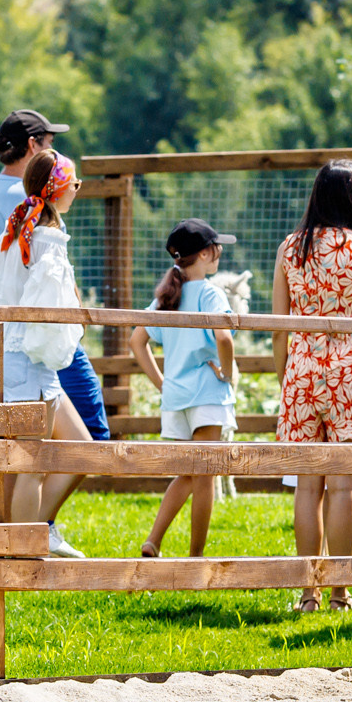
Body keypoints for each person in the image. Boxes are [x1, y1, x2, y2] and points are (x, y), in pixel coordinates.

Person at [273, 160, 352, 611]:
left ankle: (308, 593)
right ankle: (341, 592)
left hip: (302, 368)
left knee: (308, 486)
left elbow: (278, 326)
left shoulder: (290, 248)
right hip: (348, 370)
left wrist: (283, 373)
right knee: (343, 487)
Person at [0, 152, 92, 556]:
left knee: (79, 449)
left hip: (17, 358)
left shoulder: (15, 233)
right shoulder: (48, 240)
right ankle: (22, 549)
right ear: (58, 188)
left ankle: (22, 535)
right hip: (31, 361)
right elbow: (56, 306)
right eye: (74, 184)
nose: (77, 191)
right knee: (31, 462)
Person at [0, 110, 112, 440]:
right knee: (90, 438)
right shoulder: (32, 205)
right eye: (51, 143)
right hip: (39, 335)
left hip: (4, 337)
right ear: (34, 145)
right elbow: (54, 275)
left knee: (20, 451)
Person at [125, 220, 238, 558]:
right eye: (217, 248)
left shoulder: (165, 297)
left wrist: (162, 383)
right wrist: (227, 373)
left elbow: (136, 340)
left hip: (176, 399)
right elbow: (224, 337)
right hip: (206, 393)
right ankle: (196, 557)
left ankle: (153, 541)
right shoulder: (209, 292)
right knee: (204, 477)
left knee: (189, 474)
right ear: (205, 253)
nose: (219, 254)